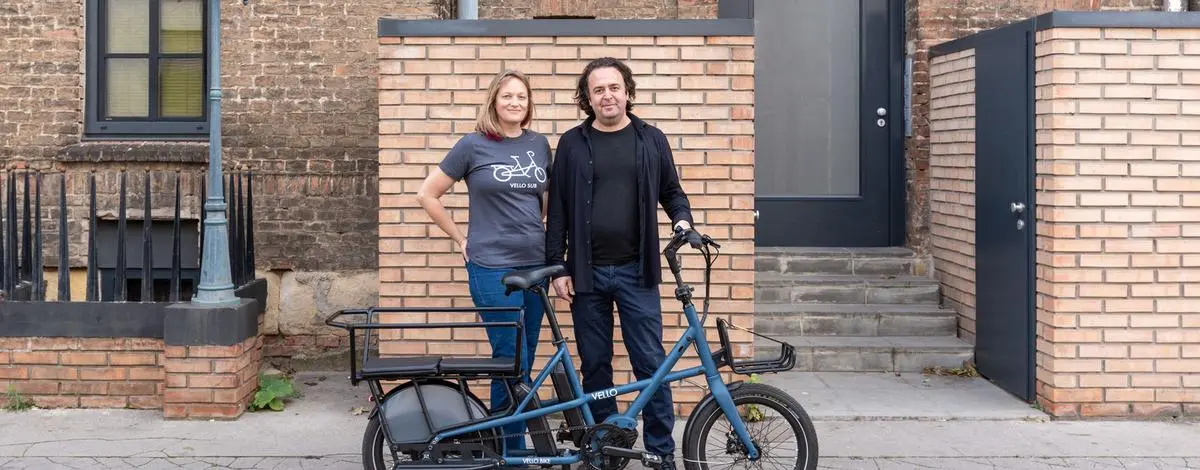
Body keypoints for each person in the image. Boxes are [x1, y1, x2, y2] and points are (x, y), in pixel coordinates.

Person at [545, 57, 695, 470]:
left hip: (638, 271)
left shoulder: (651, 139)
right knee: (595, 366)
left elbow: (673, 192)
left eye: (614, 87)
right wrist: (557, 266)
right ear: (587, 98)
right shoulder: (572, 144)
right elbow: (556, 210)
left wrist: (683, 221)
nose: (607, 95)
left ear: (627, 91)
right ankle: (607, 450)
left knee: (651, 363)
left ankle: (661, 451)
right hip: (586, 275)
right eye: (598, 90)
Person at [416, 69, 552, 453]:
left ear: (529, 104)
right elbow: (427, 195)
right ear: (494, 100)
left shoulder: (539, 145)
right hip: (492, 268)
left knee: (522, 361)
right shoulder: (472, 145)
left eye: (522, 97)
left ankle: (508, 445)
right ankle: (511, 451)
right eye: (508, 96)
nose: (515, 103)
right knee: (509, 359)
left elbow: (544, 201)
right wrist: (461, 238)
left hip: (535, 268)